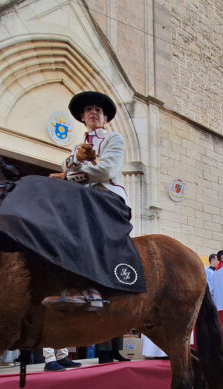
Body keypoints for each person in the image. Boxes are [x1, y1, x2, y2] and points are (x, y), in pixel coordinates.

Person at [41, 90, 130, 309]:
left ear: (105, 118)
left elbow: (106, 170)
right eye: (89, 109)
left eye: (98, 110)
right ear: (82, 117)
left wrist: (70, 174)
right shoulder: (76, 149)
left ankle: (93, 290)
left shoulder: (113, 138)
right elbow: (67, 165)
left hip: (108, 197)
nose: (93, 113)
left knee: (79, 219)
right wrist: (75, 159)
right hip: (85, 196)